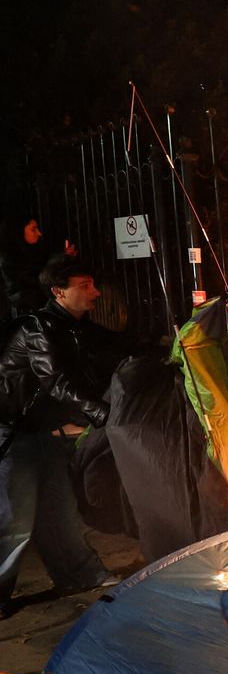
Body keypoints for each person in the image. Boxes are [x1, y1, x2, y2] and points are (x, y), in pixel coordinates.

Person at [0, 254, 116, 617]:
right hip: (13, 432)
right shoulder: (38, 329)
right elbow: (57, 380)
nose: (95, 292)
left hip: (44, 431)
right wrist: (101, 413)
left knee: (58, 509)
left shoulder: (77, 327)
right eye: (84, 286)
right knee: (16, 519)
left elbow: (118, 349)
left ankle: (79, 575)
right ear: (58, 292)